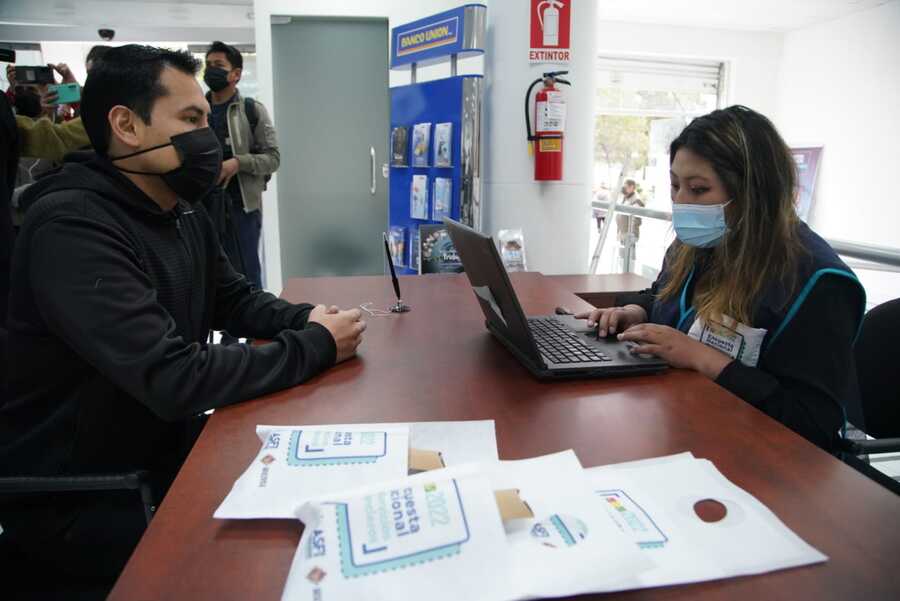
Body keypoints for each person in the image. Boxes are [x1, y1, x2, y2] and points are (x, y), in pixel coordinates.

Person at [0, 44, 365, 596]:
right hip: (89, 497)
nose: (208, 138)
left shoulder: (179, 206)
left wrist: (310, 317)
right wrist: (314, 345)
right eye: (191, 119)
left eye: (207, 119)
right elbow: (174, 379)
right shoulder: (72, 227)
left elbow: (235, 299)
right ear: (126, 124)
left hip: (164, 451)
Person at [577, 105, 865, 453]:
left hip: (762, 459)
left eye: (698, 189)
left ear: (753, 193)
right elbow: (666, 300)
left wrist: (704, 358)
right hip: (682, 427)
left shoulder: (817, 282)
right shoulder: (700, 243)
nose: (680, 202)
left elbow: (813, 424)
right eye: (675, 185)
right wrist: (636, 312)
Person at [203, 40, 278, 292]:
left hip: (241, 207)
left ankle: (253, 331)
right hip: (201, 207)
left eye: (218, 65)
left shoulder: (251, 110)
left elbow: (273, 158)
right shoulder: (195, 111)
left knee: (246, 276)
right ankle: (222, 330)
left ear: (235, 74)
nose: (211, 69)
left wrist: (238, 163)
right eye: (208, 64)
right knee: (207, 276)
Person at [615, 178, 644, 245]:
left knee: (629, 254)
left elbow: (636, 220)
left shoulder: (636, 200)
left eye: (625, 187)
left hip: (629, 235)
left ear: (631, 187)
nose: (624, 189)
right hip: (622, 233)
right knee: (622, 254)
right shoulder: (626, 197)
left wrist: (631, 235)